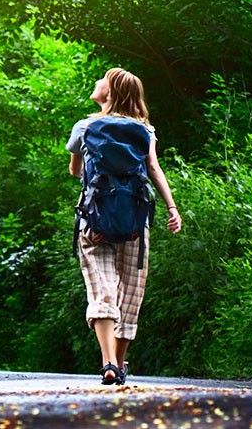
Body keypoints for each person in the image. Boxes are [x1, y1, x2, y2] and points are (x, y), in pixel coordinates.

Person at [67, 67, 182, 385]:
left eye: (102, 79)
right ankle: (119, 362)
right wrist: (172, 208)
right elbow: (154, 169)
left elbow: (75, 172)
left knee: (101, 291)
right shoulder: (145, 130)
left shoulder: (85, 126)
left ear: (110, 92)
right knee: (130, 293)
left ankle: (108, 363)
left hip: (94, 222)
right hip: (135, 222)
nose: (96, 82)